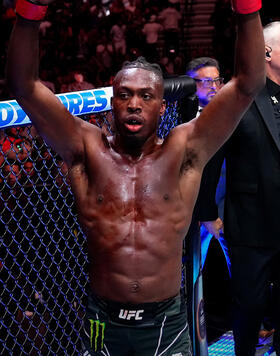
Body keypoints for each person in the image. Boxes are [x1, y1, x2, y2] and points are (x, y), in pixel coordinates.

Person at [6, 0, 264, 354]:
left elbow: (248, 83)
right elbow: (24, 86)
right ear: (113, 101)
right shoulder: (86, 150)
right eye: (124, 95)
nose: (134, 104)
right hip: (101, 320)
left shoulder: (185, 152)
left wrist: (247, 9)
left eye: (146, 96)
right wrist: (31, 10)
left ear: (162, 105)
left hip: (166, 324)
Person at [192, 21, 280, 356]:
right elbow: (211, 159)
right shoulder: (237, 95)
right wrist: (207, 213)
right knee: (250, 303)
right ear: (267, 52)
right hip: (250, 221)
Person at [186, 57, 230, 274]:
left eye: (217, 80)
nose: (214, 87)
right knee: (191, 270)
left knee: (240, 269)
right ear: (191, 84)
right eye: (206, 82)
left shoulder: (232, 115)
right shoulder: (179, 120)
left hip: (225, 207)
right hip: (189, 210)